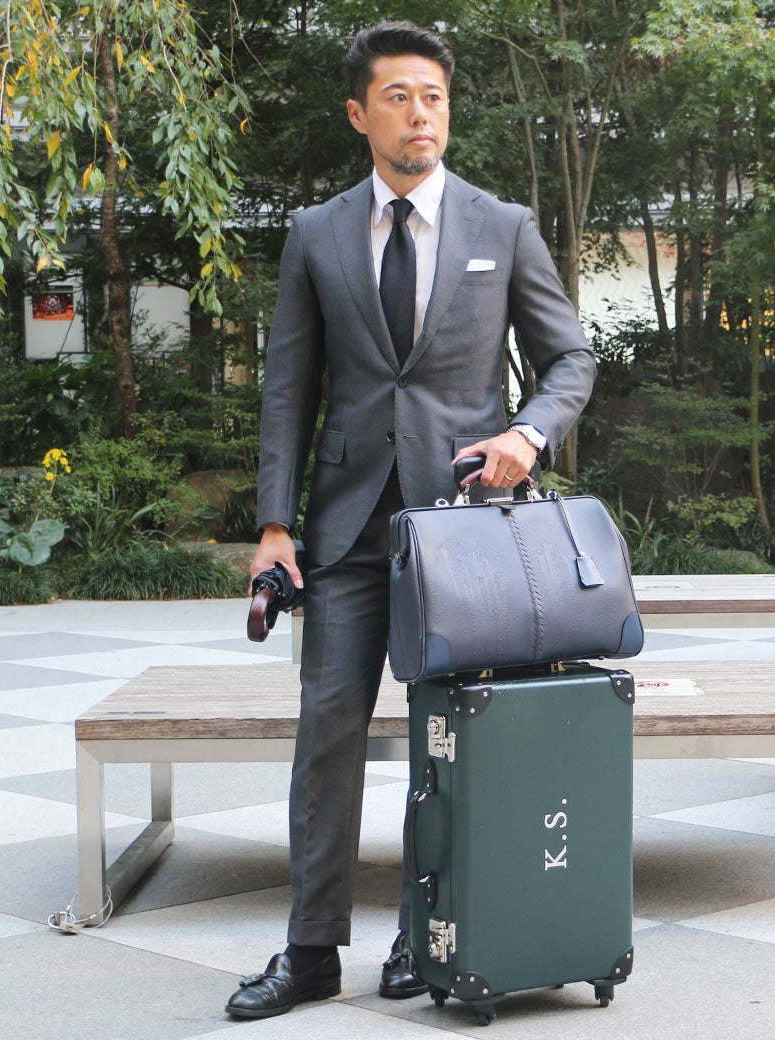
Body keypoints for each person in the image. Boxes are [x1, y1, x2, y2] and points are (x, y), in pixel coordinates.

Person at [225, 20, 595, 1020]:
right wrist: (274, 524)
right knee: (326, 733)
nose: (419, 113)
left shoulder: (501, 225)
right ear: (360, 114)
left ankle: (427, 937)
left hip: (468, 531)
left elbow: (570, 357)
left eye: (432, 96)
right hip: (347, 529)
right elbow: (288, 387)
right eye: (397, 96)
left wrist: (527, 434)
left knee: (457, 737)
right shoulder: (315, 233)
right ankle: (310, 951)